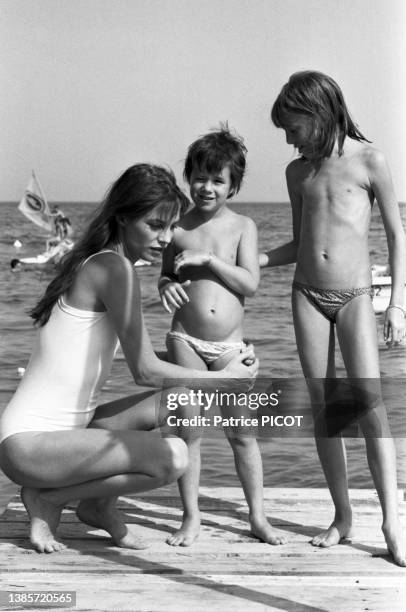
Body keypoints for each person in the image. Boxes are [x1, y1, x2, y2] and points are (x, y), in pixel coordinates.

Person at [0, 164, 258, 554]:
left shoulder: (102, 262)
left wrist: (220, 360)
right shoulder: (114, 268)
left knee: (183, 402)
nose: (166, 238)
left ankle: (99, 504)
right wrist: (228, 380)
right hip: (29, 445)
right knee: (173, 458)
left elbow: (138, 355)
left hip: (72, 429)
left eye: (171, 227)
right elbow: (144, 371)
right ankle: (48, 499)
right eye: (155, 226)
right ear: (123, 217)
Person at [260, 71, 406, 566]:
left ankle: (391, 519)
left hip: (356, 296)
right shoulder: (297, 174)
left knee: (368, 404)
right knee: (325, 405)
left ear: (317, 112)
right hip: (306, 295)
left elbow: (396, 236)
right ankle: (343, 515)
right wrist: (252, 261)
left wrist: (398, 303)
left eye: (292, 127)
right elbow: (300, 241)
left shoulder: (370, 161)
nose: (287, 139)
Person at [159, 126, 286, 547]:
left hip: (231, 346)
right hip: (186, 340)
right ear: (188, 176)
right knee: (189, 427)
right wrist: (165, 285)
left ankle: (258, 517)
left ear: (233, 186)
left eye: (218, 180)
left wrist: (210, 260)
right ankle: (191, 517)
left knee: (242, 432)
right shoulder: (177, 227)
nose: (206, 187)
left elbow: (250, 284)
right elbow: (164, 274)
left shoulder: (243, 227)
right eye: (199, 177)